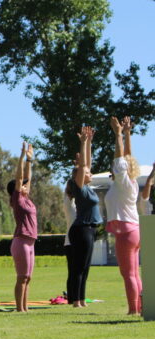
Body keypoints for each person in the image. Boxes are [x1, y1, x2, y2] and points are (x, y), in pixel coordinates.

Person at [105, 117, 142, 315]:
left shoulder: (122, 181)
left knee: (128, 274)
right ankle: (141, 306)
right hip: (133, 230)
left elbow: (120, 158)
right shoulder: (130, 182)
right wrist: (128, 134)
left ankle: (133, 310)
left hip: (126, 232)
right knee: (134, 273)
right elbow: (127, 157)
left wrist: (118, 134)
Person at [68, 126, 102, 308]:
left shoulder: (88, 188)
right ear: (79, 177)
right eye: (88, 173)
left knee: (86, 266)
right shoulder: (80, 189)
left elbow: (86, 164)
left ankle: (81, 298)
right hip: (82, 229)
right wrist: (82, 143)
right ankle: (76, 300)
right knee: (79, 267)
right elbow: (82, 166)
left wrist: (89, 142)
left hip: (90, 229)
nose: (90, 173)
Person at [7, 142, 37, 313]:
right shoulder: (17, 200)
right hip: (21, 241)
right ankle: (19, 308)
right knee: (22, 277)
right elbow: (20, 178)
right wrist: (21, 157)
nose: (26, 185)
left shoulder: (27, 199)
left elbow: (27, 178)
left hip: (31, 242)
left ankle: (25, 307)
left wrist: (29, 161)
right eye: (22, 185)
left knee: (28, 277)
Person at [63, 178, 77, 304]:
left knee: (74, 270)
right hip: (70, 241)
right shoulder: (68, 202)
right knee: (73, 271)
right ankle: (72, 297)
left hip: (72, 241)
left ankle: (74, 295)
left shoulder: (77, 204)